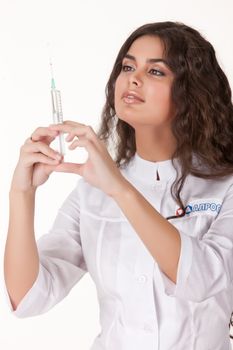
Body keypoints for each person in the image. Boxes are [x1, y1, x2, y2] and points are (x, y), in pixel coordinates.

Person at [4, 21, 233, 350]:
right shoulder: (91, 192)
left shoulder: (225, 185)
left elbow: (202, 280)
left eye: (155, 71)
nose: (133, 78)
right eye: (128, 66)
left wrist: (121, 190)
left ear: (191, 91)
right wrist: (22, 194)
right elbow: (28, 298)